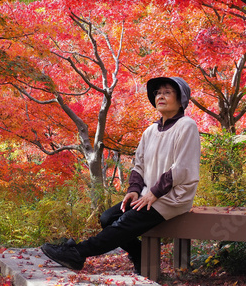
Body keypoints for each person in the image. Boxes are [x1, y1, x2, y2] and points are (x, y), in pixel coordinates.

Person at [41, 76, 201, 273]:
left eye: (167, 92)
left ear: (181, 99)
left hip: (171, 196)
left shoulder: (186, 126)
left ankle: (77, 253)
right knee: (108, 218)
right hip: (148, 194)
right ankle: (141, 254)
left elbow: (182, 168)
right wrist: (134, 190)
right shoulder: (150, 131)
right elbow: (138, 165)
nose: (160, 96)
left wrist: (154, 193)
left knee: (124, 223)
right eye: (158, 93)